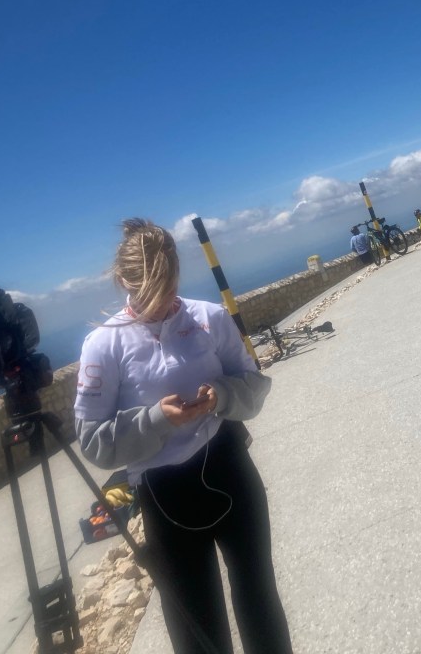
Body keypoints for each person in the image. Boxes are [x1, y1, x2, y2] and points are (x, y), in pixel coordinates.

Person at [75, 219, 293, 654]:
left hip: (229, 467)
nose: (163, 305)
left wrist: (222, 396)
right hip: (165, 495)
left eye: (170, 289)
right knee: (196, 629)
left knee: (259, 599)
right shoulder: (102, 345)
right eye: (150, 295)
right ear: (125, 283)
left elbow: (255, 389)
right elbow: (93, 442)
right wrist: (157, 419)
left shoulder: (209, 317)